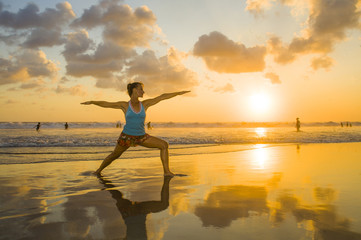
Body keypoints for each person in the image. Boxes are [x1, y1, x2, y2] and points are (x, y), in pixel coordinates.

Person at [81, 82, 190, 176]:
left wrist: (178, 93)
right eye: (141, 89)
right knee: (115, 155)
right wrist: (92, 102)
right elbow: (107, 104)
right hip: (127, 137)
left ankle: (167, 172)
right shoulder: (124, 105)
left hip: (141, 137)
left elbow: (161, 97)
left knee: (164, 145)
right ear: (134, 90)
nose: (143, 92)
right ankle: (98, 171)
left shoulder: (145, 104)